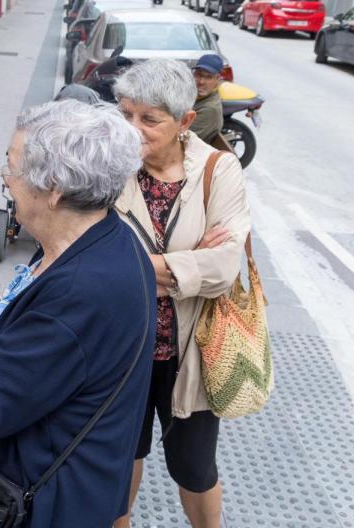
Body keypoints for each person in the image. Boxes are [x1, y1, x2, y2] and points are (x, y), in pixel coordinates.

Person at [0, 100, 156, 528]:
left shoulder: (78, 291)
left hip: (46, 505)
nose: (3, 175)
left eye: (12, 165)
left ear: (53, 189)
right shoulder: (106, 237)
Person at [111, 58, 251, 528]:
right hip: (121, 349)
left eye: (149, 119)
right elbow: (82, 248)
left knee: (192, 468)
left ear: (185, 121)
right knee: (118, 459)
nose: (133, 129)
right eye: (126, 113)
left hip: (188, 352)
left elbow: (223, 267)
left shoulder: (218, 170)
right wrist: (187, 261)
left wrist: (126, 266)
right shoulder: (112, 164)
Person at [191, 53, 225, 146]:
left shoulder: (210, 109)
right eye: (199, 75)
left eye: (208, 77)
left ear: (217, 79)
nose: (201, 82)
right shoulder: (197, 96)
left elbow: (182, 140)